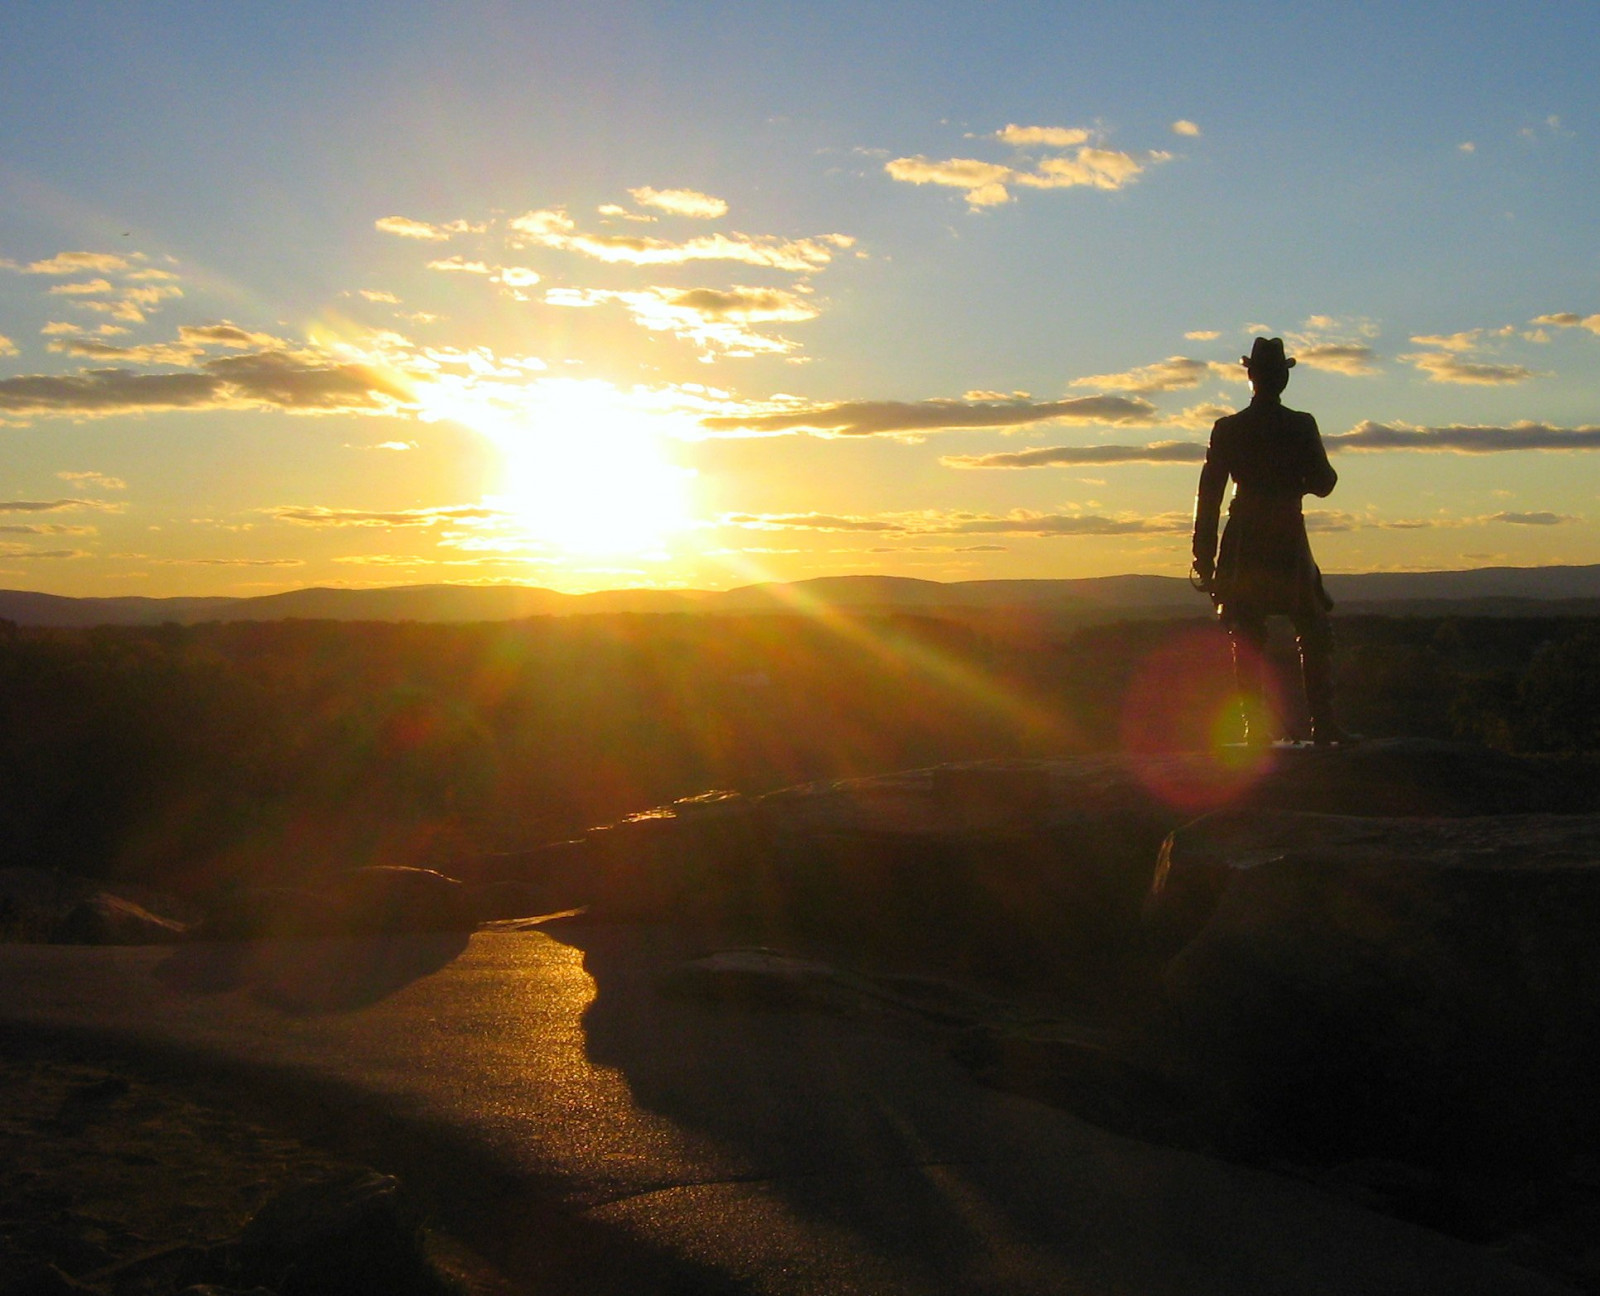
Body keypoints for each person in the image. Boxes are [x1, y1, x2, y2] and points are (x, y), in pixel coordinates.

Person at [1191, 337, 1353, 745]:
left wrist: (1204, 553)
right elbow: (1324, 483)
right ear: (1282, 378)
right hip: (1285, 531)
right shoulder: (1301, 425)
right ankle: (1324, 724)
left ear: (1251, 376)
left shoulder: (1227, 429)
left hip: (1244, 535)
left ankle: (1254, 731)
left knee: (1246, 634)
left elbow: (1209, 493)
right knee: (1312, 627)